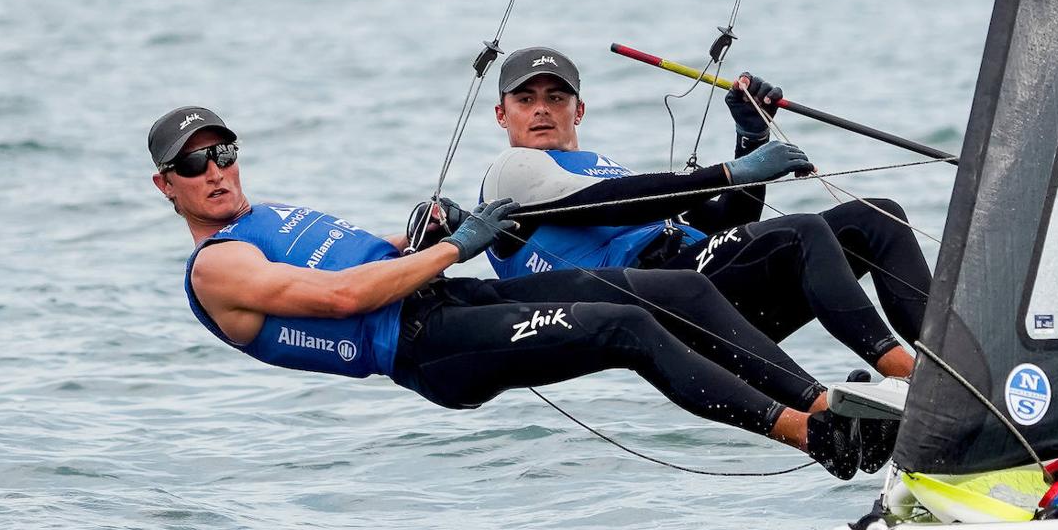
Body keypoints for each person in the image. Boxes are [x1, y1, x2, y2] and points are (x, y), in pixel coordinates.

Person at [148, 106, 867, 479]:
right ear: (166, 185)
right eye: (194, 164)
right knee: (623, 328)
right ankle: (808, 435)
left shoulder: (268, 216)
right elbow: (344, 299)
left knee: (655, 287)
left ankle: (824, 403)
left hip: (444, 304)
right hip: (427, 351)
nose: (217, 171)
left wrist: (430, 235)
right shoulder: (217, 267)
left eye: (225, 152)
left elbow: (378, 262)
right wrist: (460, 247)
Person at [461, 47, 932, 389]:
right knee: (802, 231)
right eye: (525, 99)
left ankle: (945, 365)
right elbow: (618, 202)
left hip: (722, 298)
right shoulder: (513, 170)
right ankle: (910, 378)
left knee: (876, 219)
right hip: (660, 301)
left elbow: (727, 230)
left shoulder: (605, 166)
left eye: (556, 98)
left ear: (578, 110)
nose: (542, 108)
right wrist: (728, 172)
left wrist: (749, 139)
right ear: (502, 115)